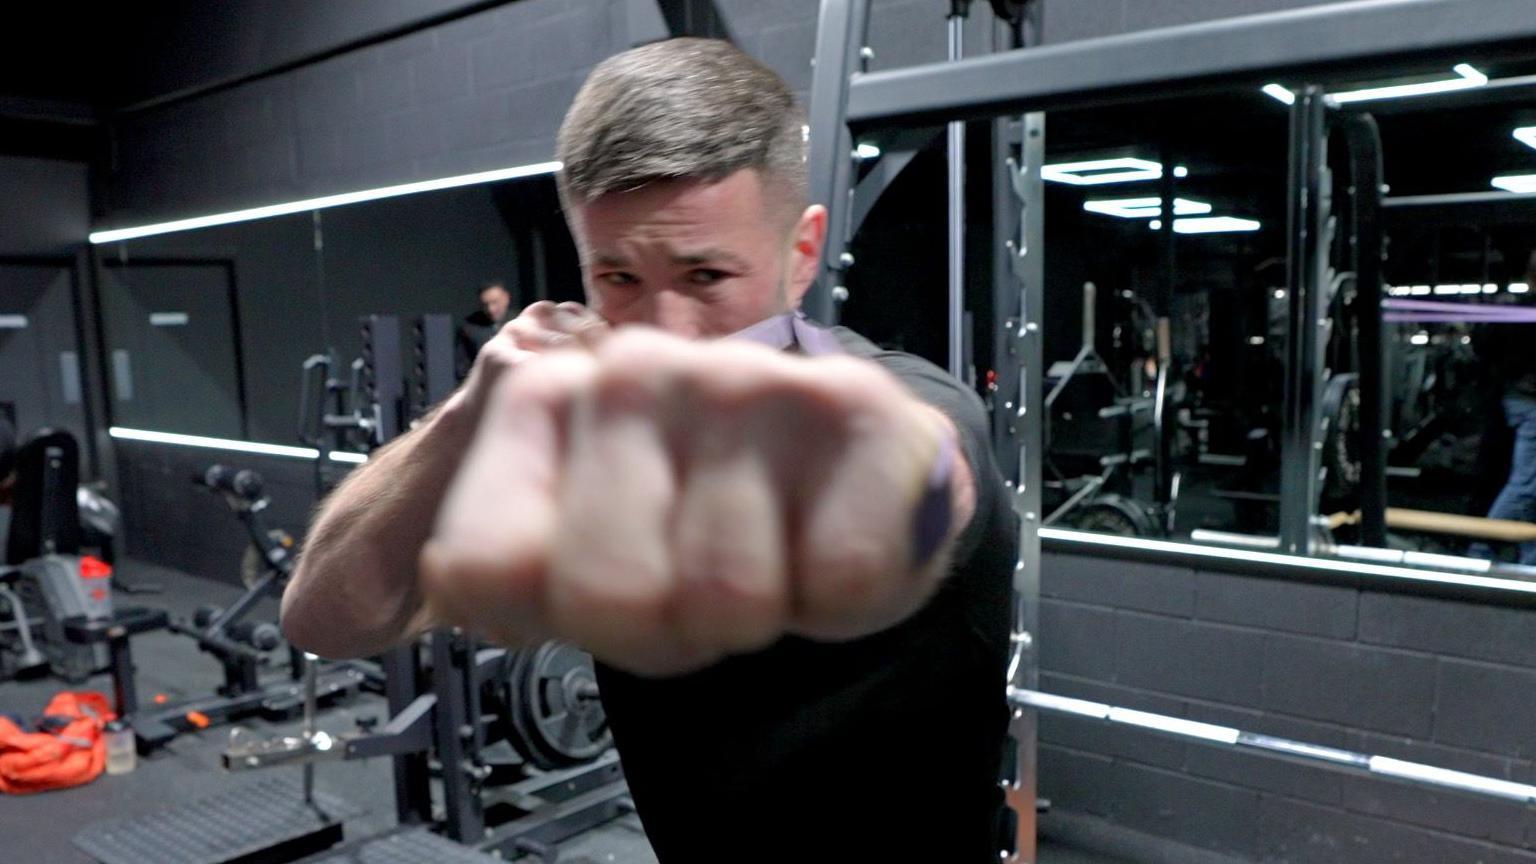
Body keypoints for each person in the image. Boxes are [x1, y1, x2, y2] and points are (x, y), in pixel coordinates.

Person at [282, 38, 1016, 861]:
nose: (666, 335)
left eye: (706, 277)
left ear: (801, 253)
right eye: (620, 279)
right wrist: (465, 420)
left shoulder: (910, 400)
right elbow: (324, 620)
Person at [1472, 255, 1536, 565]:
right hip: (1528, 403)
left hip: (1516, 399)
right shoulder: (1524, 313)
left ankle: (1529, 557)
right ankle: (1482, 550)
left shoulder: (1516, 311)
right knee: (1526, 486)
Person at [457, 281, 514, 376]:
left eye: (495, 302)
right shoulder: (469, 327)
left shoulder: (521, 321)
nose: (490, 309)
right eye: (485, 305)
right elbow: (462, 367)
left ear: (506, 298)